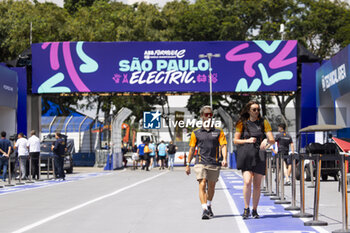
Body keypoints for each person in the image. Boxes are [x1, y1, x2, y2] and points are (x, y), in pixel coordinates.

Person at [234, 101, 274, 219]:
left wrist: (266, 142)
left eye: (258, 109)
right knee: (247, 182)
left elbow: (272, 139)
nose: (256, 112)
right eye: (254, 109)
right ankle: (246, 208)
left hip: (259, 155)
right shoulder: (242, 123)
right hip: (246, 154)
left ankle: (255, 209)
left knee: (257, 185)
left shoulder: (264, 122)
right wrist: (247, 140)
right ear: (248, 111)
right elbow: (235, 140)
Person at [186, 105, 228, 220]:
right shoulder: (196, 132)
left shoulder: (218, 132)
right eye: (206, 114)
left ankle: (209, 205)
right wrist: (188, 164)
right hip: (200, 162)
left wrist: (224, 158)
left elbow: (223, 146)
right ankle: (204, 209)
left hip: (214, 163)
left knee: (211, 186)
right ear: (202, 116)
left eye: (210, 114)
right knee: (202, 183)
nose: (208, 116)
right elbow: (191, 149)